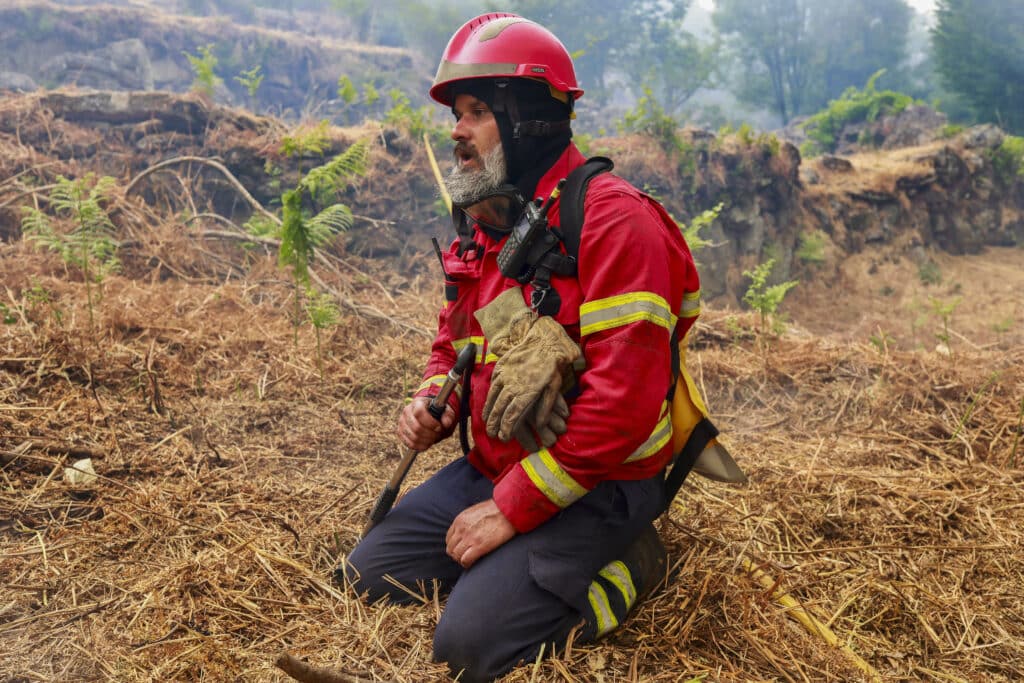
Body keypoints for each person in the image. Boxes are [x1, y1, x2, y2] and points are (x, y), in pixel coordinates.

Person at [338, 13, 703, 682]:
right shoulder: (489, 222)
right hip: (499, 462)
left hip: (599, 483)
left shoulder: (616, 222)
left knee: (469, 646)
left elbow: (623, 406)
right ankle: (516, 567)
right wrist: (434, 400)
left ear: (530, 120)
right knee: (367, 575)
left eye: (477, 112)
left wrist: (513, 509)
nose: (457, 130)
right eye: (457, 113)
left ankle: (634, 560)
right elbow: (451, 345)